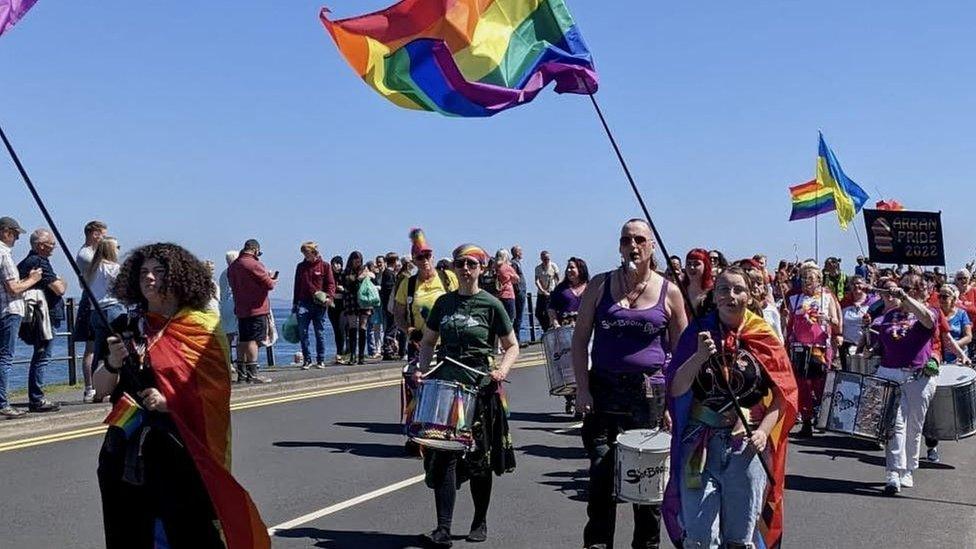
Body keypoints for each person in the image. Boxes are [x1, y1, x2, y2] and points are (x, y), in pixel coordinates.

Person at [93, 243, 270, 548]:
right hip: (123, 453)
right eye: (143, 272)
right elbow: (101, 387)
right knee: (128, 534)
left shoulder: (201, 328)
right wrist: (113, 362)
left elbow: (214, 394)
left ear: (178, 278)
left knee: (186, 533)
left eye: (158, 272)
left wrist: (169, 402)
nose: (149, 278)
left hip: (178, 452)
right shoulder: (124, 326)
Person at [572, 219, 688, 549]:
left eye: (639, 240)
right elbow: (580, 340)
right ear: (619, 247)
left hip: (649, 395)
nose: (632, 246)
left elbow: (680, 355)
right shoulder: (599, 285)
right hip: (604, 392)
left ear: (652, 247)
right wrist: (582, 387)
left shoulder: (671, 292)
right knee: (601, 475)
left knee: (646, 487)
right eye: (626, 240)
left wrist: (672, 405)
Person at [663, 266, 798, 549]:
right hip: (699, 447)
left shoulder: (764, 335)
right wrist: (699, 356)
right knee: (699, 538)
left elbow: (782, 396)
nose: (730, 295)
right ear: (714, 295)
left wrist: (763, 431)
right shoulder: (697, 333)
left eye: (738, 289)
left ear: (749, 295)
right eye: (723, 289)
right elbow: (677, 388)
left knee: (739, 540)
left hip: (746, 449)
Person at [412, 243, 519, 546]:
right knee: (443, 456)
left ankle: (479, 520)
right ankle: (443, 528)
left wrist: (502, 370)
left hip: (480, 387)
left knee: (479, 459)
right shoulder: (444, 304)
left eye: (472, 264)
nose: (466, 269)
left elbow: (512, 345)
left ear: (482, 269)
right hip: (447, 388)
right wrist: (423, 370)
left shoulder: (492, 304)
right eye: (460, 264)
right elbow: (429, 341)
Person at [868, 274, 938, 495]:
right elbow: (882, 340)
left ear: (919, 291)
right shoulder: (889, 315)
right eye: (902, 286)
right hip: (890, 373)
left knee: (914, 426)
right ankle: (893, 472)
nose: (902, 290)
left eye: (909, 288)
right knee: (893, 424)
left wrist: (906, 298)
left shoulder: (929, 312)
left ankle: (909, 468)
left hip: (918, 377)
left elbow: (927, 320)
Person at [783, 263, 841, 437]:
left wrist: (828, 318)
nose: (806, 281)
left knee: (821, 384)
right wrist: (785, 318)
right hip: (800, 348)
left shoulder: (827, 297)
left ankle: (823, 419)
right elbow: (789, 326)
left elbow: (837, 322)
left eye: (810, 278)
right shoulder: (795, 299)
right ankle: (806, 422)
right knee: (802, 386)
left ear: (819, 280)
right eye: (803, 278)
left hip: (820, 348)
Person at [15, 227, 62, 412]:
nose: (53, 248)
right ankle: (37, 398)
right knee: (42, 356)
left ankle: (36, 397)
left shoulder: (29, 261)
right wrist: (62, 281)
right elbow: (59, 289)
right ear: (41, 245)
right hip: (44, 317)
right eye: (51, 244)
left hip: (40, 316)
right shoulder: (38, 261)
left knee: (41, 355)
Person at [0, 217, 42, 418]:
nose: (17, 239)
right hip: (9, 310)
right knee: (5, 358)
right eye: (15, 234)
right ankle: (2, 403)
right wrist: (33, 280)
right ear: (6, 232)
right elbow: (13, 287)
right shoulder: (4, 254)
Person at [394, 228, 457, 361]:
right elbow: (398, 315)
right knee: (418, 380)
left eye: (427, 256)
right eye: (420, 257)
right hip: (419, 344)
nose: (425, 260)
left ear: (433, 257)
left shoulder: (447, 278)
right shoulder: (407, 284)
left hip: (447, 344)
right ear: (414, 260)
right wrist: (410, 331)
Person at [227, 239, 276, 383]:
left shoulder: (233, 267)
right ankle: (253, 374)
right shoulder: (254, 264)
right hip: (257, 308)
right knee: (253, 341)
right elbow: (269, 285)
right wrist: (272, 279)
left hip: (241, 308)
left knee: (242, 340)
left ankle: (242, 374)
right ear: (255, 249)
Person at [547, 256, 589, 416]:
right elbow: (551, 307)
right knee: (568, 366)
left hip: (585, 329)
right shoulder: (561, 289)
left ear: (581, 269)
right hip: (565, 329)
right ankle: (571, 399)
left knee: (586, 365)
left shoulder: (590, 287)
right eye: (568, 268)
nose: (570, 271)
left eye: (573, 267)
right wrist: (555, 323)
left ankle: (583, 399)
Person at [76, 220, 108, 402]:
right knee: (91, 347)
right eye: (102, 234)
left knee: (99, 346)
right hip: (91, 301)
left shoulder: (92, 253)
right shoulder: (87, 255)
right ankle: (90, 387)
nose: (103, 238)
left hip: (96, 300)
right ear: (94, 233)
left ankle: (99, 384)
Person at [292, 241, 336, 369]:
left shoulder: (325, 266)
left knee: (319, 332)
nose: (305, 255)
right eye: (303, 253)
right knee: (303, 332)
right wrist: (295, 304)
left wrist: (329, 297)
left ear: (313, 252)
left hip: (319, 304)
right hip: (303, 303)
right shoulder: (300, 267)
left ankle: (320, 359)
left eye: (307, 253)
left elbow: (331, 284)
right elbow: (297, 285)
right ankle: (307, 359)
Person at [87, 237, 125, 374]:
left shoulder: (93, 269)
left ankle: (96, 385)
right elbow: (124, 287)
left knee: (99, 351)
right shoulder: (113, 268)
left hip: (96, 312)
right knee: (115, 351)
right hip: (112, 309)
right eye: (117, 247)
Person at [340, 251, 372, 365]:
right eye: (355, 259)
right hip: (351, 299)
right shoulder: (346, 271)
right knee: (352, 326)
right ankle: (353, 355)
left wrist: (367, 275)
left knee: (363, 327)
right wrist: (359, 278)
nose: (357, 262)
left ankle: (361, 356)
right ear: (351, 260)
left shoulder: (364, 269)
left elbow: (371, 280)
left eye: (359, 259)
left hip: (364, 300)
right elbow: (347, 284)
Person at [839, 276, 876, 369]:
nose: (856, 286)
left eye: (859, 283)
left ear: (865, 285)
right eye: (853, 284)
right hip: (846, 345)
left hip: (866, 346)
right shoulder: (844, 303)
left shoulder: (874, 303)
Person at [938, 284, 972, 364]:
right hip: (940, 357)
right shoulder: (936, 313)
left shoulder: (961, 314)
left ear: (953, 299)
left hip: (959, 356)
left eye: (945, 297)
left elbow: (968, 337)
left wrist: (954, 345)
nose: (941, 299)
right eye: (940, 296)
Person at [218, 250, 239, 372]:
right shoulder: (235, 272)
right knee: (240, 336)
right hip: (234, 305)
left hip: (225, 307)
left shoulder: (223, 274)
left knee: (228, 337)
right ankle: (242, 362)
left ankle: (229, 361)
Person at [682, 248, 714, 318]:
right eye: (689, 264)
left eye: (696, 264)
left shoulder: (713, 291)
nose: (692, 267)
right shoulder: (680, 290)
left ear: (705, 266)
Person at [534, 250, 560, 332]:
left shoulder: (553, 266)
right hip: (541, 293)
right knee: (538, 313)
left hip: (551, 292)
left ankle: (550, 329)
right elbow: (537, 280)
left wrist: (557, 289)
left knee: (548, 312)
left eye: (548, 259)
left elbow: (557, 278)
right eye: (544, 259)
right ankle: (546, 328)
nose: (546, 260)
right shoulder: (538, 268)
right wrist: (542, 290)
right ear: (541, 259)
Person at [493, 249, 520, 327]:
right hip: (507, 295)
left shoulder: (494, 267)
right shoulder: (507, 267)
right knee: (510, 319)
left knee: (499, 320)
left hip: (497, 296)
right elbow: (517, 279)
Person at [328, 255, 346, 364]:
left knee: (341, 329)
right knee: (336, 330)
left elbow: (350, 289)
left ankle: (341, 353)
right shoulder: (329, 276)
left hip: (343, 305)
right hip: (332, 305)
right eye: (334, 263)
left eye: (338, 263)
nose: (336, 266)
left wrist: (343, 290)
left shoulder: (344, 275)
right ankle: (339, 353)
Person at [511, 245, 527, 344]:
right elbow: (514, 279)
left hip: (521, 291)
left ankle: (517, 338)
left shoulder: (517, 263)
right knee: (518, 316)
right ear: (516, 252)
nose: (522, 253)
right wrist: (518, 290)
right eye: (520, 251)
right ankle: (516, 339)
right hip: (519, 292)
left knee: (519, 316)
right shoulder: (514, 264)